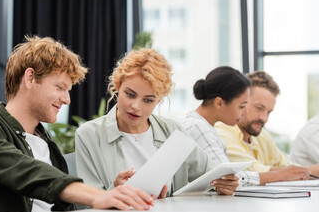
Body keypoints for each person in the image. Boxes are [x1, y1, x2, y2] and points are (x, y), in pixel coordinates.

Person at [0, 36, 155, 212]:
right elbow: (26, 171)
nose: (67, 99)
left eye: (68, 90)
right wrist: (95, 196)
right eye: (60, 87)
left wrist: (114, 193)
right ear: (30, 78)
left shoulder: (47, 145)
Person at [75, 49, 239, 198]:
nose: (136, 106)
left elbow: (211, 176)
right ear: (117, 86)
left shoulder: (173, 131)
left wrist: (223, 184)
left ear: (158, 100)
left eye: (148, 100)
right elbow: (86, 201)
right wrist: (115, 192)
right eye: (130, 94)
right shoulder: (89, 134)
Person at [182, 67, 311, 186]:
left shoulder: (208, 129)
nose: (244, 113)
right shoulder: (198, 127)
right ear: (219, 103)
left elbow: (227, 180)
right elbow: (227, 177)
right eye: (241, 106)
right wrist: (279, 175)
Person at [215, 71, 319, 178]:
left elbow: (288, 166)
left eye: (269, 112)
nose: (264, 118)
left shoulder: (263, 136)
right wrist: (289, 173)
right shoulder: (220, 132)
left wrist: (295, 173)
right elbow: (251, 171)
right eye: (259, 108)